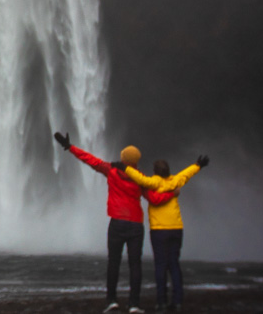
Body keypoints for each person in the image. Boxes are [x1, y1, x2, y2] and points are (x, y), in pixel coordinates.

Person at [54, 132, 176, 314]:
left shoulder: (111, 170)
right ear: (136, 161)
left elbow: (90, 160)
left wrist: (70, 147)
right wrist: (172, 193)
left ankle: (111, 301)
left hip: (117, 223)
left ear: (123, 158)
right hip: (135, 225)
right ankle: (134, 304)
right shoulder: (141, 178)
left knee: (114, 263)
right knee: (135, 264)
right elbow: (154, 199)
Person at [122, 156, 210, 312]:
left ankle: (161, 302)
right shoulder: (175, 181)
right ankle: (177, 301)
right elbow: (186, 174)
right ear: (168, 171)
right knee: (174, 265)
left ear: (155, 172)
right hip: (176, 228)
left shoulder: (154, 183)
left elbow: (140, 179)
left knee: (160, 266)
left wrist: (125, 168)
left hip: (159, 230)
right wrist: (198, 165)